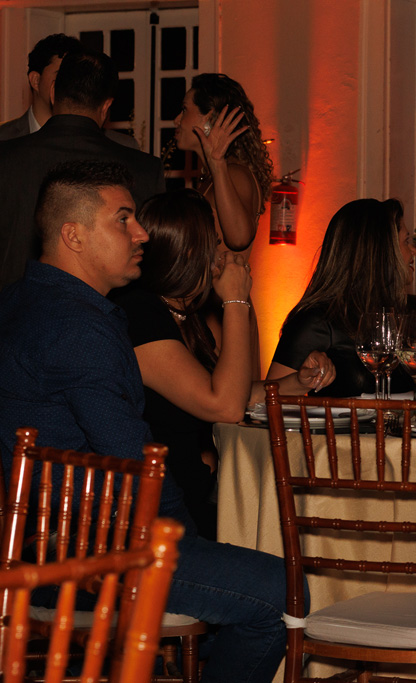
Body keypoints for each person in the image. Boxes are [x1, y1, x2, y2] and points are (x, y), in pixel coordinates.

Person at [0, 160, 295, 683]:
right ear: (73, 236)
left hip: (35, 545)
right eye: (123, 219)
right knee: (282, 590)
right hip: (88, 560)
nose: (140, 234)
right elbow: (136, 469)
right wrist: (187, 541)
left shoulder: (20, 301)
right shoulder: (79, 329)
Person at [110, 189, 335, 540]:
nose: (222, 256)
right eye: (214, 245)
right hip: (158, 515)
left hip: (189, 496)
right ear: (189, 252)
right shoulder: (141, 313)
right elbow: (226, 406)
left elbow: (231, 393)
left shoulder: (185, 316)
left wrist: (297, 383)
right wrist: (235, 301)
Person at [0, 48, 165, 291]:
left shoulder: (5, 157)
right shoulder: (145, 169)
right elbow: (154, 262)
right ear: (106, 106)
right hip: (110, 308)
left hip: (11, 309)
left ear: (53, 93)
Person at [267, 197, 416, 397]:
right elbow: (270, 400)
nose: (414, 250)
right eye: (406, 241)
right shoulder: (318, 321)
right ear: (380, 251)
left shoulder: (412, 314)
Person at [173, 72, 273, 254]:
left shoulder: (234, 174)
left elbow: (239, 238)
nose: (177, 120)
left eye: (185, 110)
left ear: (209, 119)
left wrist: (217, 164)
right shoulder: (212, 176)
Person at [0, 33, 138, 148]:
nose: (70, 82)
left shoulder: (120, 146)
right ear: (36, 80)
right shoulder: (4, 139)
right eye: (62, 75)